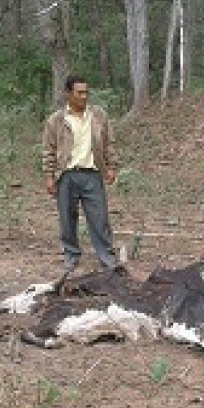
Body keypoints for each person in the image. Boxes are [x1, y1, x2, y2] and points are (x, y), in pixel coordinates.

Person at [42, 75, 118, 270]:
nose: (84, 97)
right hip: (66, 174)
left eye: (86, 92)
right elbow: (49, 150)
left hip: (92, 173)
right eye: (79, 93)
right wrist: (49, 176)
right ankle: (71, 255)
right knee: (67, 218)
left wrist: (110, 166)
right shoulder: (56, 120)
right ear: (68, 94)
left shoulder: (98, 115)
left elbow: (108, 143)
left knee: (99, 218)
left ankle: (106, 256)